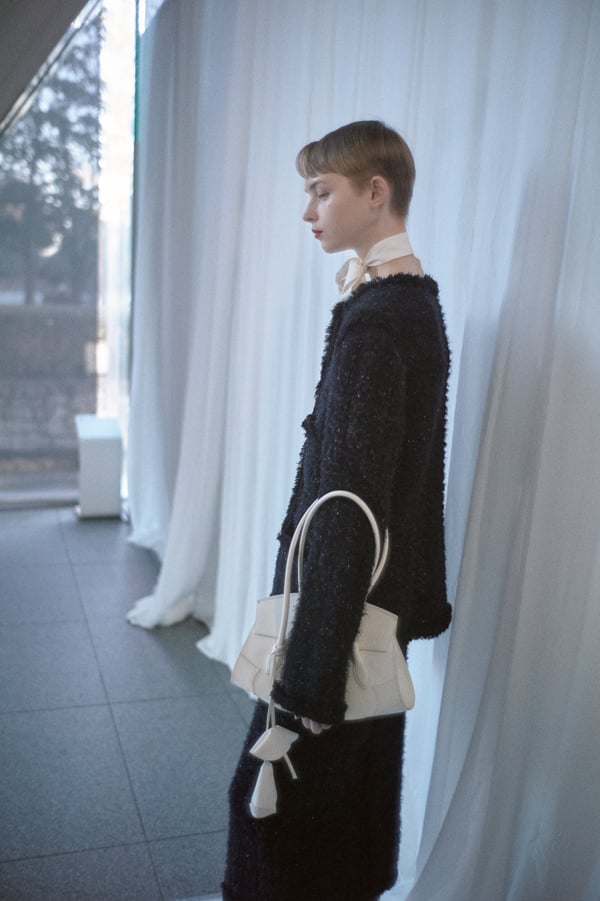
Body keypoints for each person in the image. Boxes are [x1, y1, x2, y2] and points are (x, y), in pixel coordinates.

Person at [223, 120, 452, 901]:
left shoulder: (379, 323)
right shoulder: (414, 303)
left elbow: (349, 508)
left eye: (322, 191)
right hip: (376, 611)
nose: (308, 210)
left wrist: (310, 680)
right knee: (348, 822)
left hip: (339, 626)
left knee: (275, 819)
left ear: (375, 192)